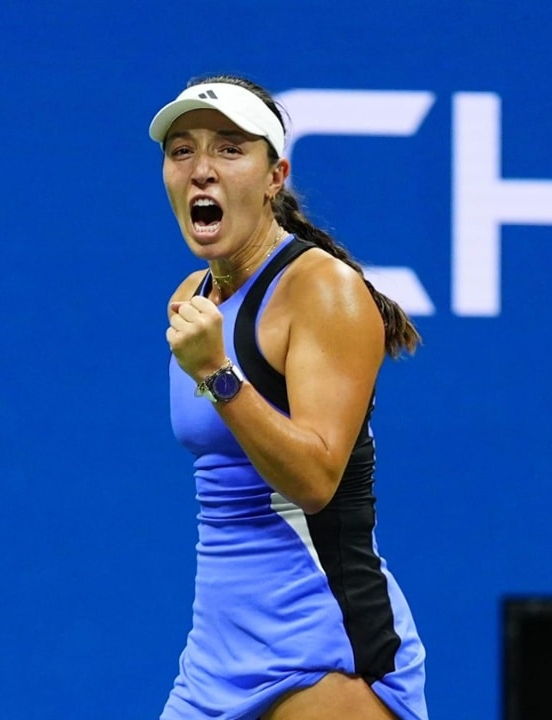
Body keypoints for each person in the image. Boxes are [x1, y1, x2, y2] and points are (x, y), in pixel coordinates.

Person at [151, 74, 428, 720]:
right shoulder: (192, 297)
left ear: (275, 176)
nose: (201, 169)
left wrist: (218, 373)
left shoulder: (324, 292)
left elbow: (315, 479)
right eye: (182, 150)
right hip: (216, 658)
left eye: (229, 149)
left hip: (323, 648)